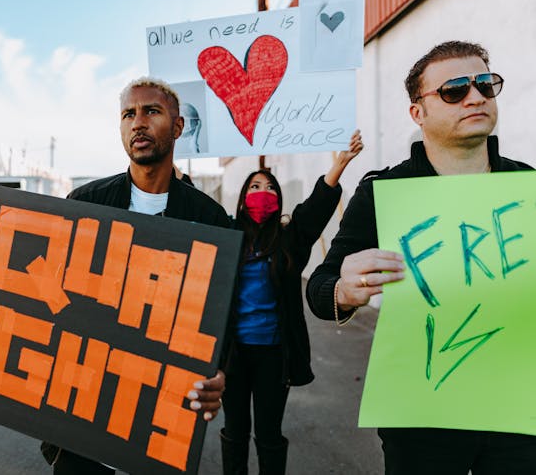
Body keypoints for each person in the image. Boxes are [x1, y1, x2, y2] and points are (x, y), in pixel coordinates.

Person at [0, 77, 230, 474]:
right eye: (128, 114)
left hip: (157, 419)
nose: (138, 122)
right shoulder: (84, 204)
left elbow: (220, 319)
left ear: (177, 127)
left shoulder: (210, 220)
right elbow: (29, 289)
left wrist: (219, 375)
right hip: (80, 418)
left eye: (151, 111)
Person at [306, 41, 536, 474]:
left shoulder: (527, 184)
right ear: (418, 112)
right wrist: (344, 288)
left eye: (485, 85)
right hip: (422, 413)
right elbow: (320, 290)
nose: (475, 97)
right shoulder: (383, 192)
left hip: (516, 407)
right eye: (453, 90)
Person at [220, 131, 363, 474]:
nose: (262, 193)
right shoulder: (227, 236)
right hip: (233, 355)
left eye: (270, 187)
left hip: (274, 354)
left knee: (269, 434)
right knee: (235, 431)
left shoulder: (289, 238)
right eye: (254, 187)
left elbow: (314, 210)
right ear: (241, 200)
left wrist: (339, 164)